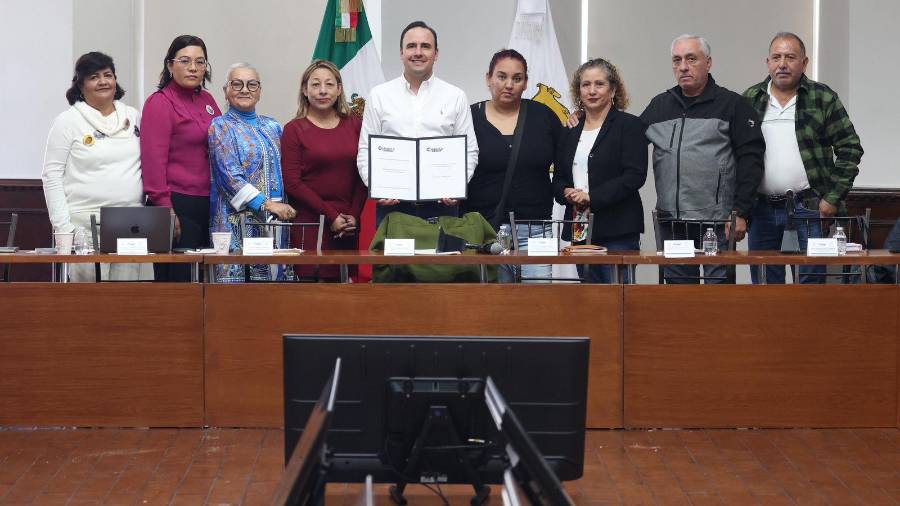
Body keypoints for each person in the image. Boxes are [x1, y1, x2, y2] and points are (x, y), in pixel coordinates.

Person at [640, 34, 765, 283]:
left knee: (717, 298)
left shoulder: (733, 105)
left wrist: (741, 212)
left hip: (717, 223)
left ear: (708, 63)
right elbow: (625, 141)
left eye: (691, 59)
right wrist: (586, 119)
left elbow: (751, 161)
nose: (683, 66)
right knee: (678, 297)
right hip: (672, 222)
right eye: (677, 60)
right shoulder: (659, 106)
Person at [744, 32, 863, 284]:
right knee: (764, 290)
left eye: (790, 57)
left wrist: (832, 198)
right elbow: (738, 156)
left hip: (810, 208)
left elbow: (850, 148)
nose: (782, 64)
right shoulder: (750, 99)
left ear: (804, 63)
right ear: (767, 62)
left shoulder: (822, 98)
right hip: (761, 209)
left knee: (810, 290)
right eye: (776, 57)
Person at [357, 20, 478, 224]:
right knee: (394, 258)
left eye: (426, 46)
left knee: (442, 257)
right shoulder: (379, 95)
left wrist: (456, 186)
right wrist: (378, 187)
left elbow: (469, 151)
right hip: (393, 209)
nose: (418, 52)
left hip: (442, 208)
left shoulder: (455, 96)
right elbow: (365, 150)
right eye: (411, 46)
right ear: (402, 53)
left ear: (436, 54)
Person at [41, 51, 148, 281]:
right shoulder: (67, 121)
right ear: (80, 86)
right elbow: (51, 175)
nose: (102, 82)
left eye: (107, 75)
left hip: (130, 224)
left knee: (128, 303)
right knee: (86, 306)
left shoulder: (134, 117)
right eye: (93, 77)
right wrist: (63, 227)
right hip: (83, 227)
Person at [462, 49, 561, 282]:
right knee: (490, 310)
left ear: (526, 83)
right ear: (488, 78)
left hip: (536, 229)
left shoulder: (544, 116)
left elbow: (568, 161)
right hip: (483, 232)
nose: (509, 84)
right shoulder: (469, 118)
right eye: (501, 76)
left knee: (536, 308)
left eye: (517, 78)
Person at [554, 58, 647, 283]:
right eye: (586, 85)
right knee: (588, 303)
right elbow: (558, 177)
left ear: (613, 89)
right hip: (580, 230)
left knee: (620, 303)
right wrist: (565, 191)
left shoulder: (629, 126)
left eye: (599, 84)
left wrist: (592, 197)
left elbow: (635, 176)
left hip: (618, 230)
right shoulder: (570, 129)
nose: (592, 91)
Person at [141, 35, 221, 281]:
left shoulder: (207, 100)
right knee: (178, 282)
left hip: (209, 202)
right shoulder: (160, 103)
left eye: (200, 62)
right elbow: (153, 162)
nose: (193, 68)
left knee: (205, 281)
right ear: (169, 65)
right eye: (185, 61)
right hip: (176, 204)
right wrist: (167, 210)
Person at [208, 63, 296, 282]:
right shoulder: (220, 126)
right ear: (225, 91)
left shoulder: (273, 126)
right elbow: (229, 177)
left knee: (273, 294)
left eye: (251, 84)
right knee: (239, 297)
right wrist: (266, 204)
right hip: (236, 220)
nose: (245, 89)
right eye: (237, 84)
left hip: (275, 220)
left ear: (259, 90)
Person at [282, 60, 367, 280]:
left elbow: (363, 174)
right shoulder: (294, 130)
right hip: (312, 224)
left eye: (329, 84)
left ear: (339, 89)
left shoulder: (355, 125)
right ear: (304, 89)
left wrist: (353, 217)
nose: (322, 91)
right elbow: (293, 183)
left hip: (347, 226)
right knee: (312, 299)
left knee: (347, 300)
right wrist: (331, 216)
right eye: (315, 84)